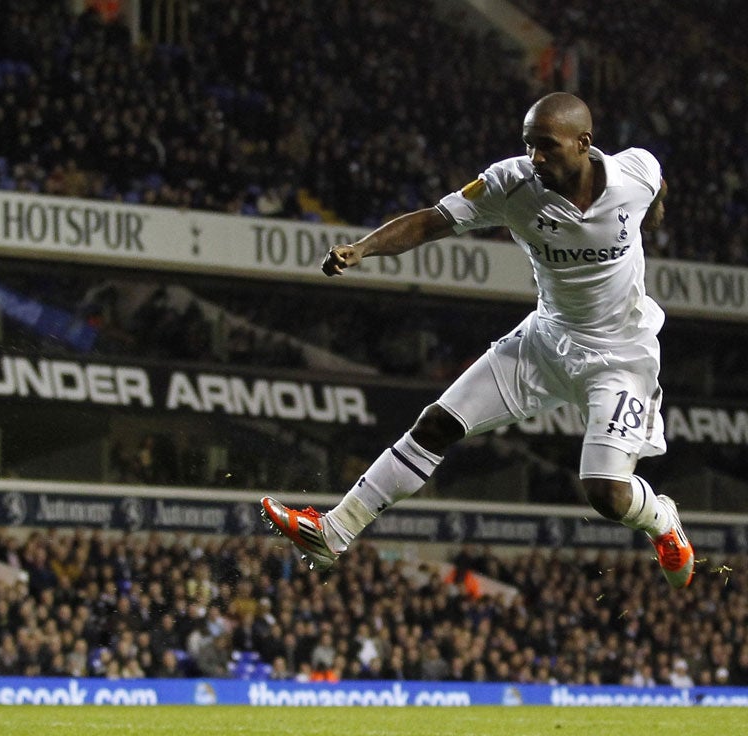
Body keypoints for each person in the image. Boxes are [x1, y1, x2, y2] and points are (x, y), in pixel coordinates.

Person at [262, 92, 694, 590]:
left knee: (606, 495)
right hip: (545, 339)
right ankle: (334, 531)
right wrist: (363, 249)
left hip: (621, 356)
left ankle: (661, 521)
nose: (536, 158)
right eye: (530, 145)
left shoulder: (633, 173)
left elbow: (656, 187)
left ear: (583, 143)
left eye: (548, 147)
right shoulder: (511, 184)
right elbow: (432, 220)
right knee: (436, 423)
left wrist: (654, 210)